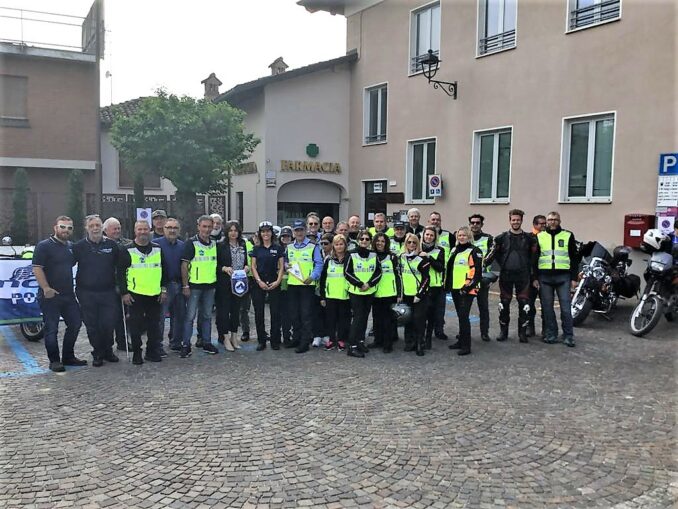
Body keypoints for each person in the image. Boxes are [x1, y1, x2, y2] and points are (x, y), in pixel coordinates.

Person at [32, 216, 86, 372]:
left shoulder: (71, 247)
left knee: (75, 323)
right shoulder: (44, 246)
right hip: (50, 296)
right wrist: (46, 288)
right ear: (55, 227)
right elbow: (37, 267)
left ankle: (68, 356)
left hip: (68, 295)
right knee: (51, 329)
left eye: (69, 228)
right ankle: (54, 360)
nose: (66, 230)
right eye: (62, 227)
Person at [73, 214, 120, 367]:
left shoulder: (112, 245)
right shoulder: (78, 247)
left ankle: (108, 351)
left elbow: (121, 266)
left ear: (102, 227)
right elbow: (66, 265)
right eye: (92, 225)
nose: (95, 228)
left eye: (97, 225)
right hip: (86, 292)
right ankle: (97, 353)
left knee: (108, 324)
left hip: (108, 292)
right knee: (92, 325)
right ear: (87, 228)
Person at [118, 220, 167, 365]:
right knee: (136, 326)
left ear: (150, 230)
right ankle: (137, 353)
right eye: (140, 229)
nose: (143, 232)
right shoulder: (126, 249)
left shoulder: (158, 249)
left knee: (154, 325)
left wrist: (163, 289)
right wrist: (124, 293)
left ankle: (152, 352)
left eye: (145, 229)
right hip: (135, 294)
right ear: (135, 231)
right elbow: (120, 273)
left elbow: (164, 270)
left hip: (154, 294)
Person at [485, 209, 536, 343]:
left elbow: (535, 258)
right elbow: (490, 256)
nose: (515, 222)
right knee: (504, 303)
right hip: (506, 275)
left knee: (524, 304)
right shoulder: (501, 238)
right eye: (513, 220)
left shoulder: (530, 239)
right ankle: (503, 332)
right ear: (510, 221)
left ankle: (522, 333)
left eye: (518, 220)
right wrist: (481, 264)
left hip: (523, 276)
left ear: (521, 221)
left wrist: (535, 276)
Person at [533, 211, 578, 347]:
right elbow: (534, 259)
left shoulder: (568, 235)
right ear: (547, 221)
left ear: (559, 221)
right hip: (544, 277)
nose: (552, 222)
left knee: (565, 308)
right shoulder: (540, 236)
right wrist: (535, 277)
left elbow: (574, 258)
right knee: (547, 308)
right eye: (550, 220)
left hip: (563, 277)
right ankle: (551, 333)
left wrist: (574, 278)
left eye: (555, 219)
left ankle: (568, 335)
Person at [180, 215, 219, 357]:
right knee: (190, 317)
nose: (207, 229)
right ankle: (186, 344)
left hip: (210, 285)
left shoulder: (215, 243)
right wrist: (185, 285)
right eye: (204, 226)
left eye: (209, 226)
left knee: (207, 316)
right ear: (198, 227)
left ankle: (206, 342)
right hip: (194, 286)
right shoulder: (191, 243)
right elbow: (184, 265)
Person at [285, 220, 323, 353]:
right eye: (296, 230)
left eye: (301, 230)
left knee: (306, 314)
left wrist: (313, 277)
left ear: (305, 230)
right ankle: (296, 338)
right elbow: (285, 263)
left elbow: (319, 264)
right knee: (294, 314)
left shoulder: (313, 246)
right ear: (293, 232)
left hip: (307, 285)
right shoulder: (289, 247)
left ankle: (305, 342)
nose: (299, 232)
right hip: (293, 284)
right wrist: (285, 266)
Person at [446, 226, 483, 356]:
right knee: (461, 317)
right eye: (459, 235)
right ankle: (461, 341)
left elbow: (477, 272)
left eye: (464, 235)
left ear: (469, 236)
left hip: (467, 289)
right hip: (455, 288)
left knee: (463, 316)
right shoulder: (455, 250)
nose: (461, 237)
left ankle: (466, 346)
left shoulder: (474, 251)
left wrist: (467, 287)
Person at [344, 230, 381, 358]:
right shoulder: (351, 254)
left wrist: (369, 284)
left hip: (369, 291)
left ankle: (360, 341)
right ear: (358, 240)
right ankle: (352, 346)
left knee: (365, 317)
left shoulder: (373, 254)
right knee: (358, 318)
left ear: (370, 241)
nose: (364, 241)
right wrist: (360, 284)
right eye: (362, 239)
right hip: (356, 291)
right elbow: (347, 273)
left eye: (367, 239)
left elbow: (378, 272)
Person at [250, 221, 284, 351]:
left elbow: (281, 267)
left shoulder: (278, 248)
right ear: (260, 233)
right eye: (263, 231)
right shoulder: (256, 249)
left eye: (268, 231)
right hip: (259, 283)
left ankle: (275, 340)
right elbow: (253, 266)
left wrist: (278, 281)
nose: (265, 233)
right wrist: (259, 281)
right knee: (259, 313)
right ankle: (261, 341)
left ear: (271, 233)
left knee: (275, 313)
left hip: (274, 282)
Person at [216, 221, 249, 351]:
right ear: (226, 232)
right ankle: (225, 337)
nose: (233, 233)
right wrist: (224, 268)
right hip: (225, 283)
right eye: (230, 230)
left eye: (235, 230)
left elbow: (246, 260)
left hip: (239, 283)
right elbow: (215, 264)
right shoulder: (220, 245)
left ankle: (234, 336)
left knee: (236, 311)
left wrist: (246, 266)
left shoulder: (243, 244)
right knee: (224, 311)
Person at [155, 217, 186, 353]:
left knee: (179, 316)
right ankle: (158, 345)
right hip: (163, 286)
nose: (172, 230)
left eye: (175, 228)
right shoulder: (155, 245)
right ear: (163, 229)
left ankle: (176, 342)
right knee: (160, 318)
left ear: (179, 230)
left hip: (179, 284)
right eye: (169, 228)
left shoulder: (183, 245)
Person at [103, 216, 132, 352]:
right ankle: (106, 345)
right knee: (108, 318)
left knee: (121, 317)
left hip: (122, 283)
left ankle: (122, 342)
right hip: (106, 286)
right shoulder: (101, 244)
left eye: (119, 228)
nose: (117, 231)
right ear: (106, 230)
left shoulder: (126, 243)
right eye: (114, 228)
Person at [319, 234, 350, 352]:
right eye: (336, 244)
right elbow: (323, 279)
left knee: (343, 318)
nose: (339, 246)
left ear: (345, 245)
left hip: (344, 295)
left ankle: (341, 339)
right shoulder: (328, 259)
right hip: (330, 295)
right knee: (331, 318)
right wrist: (322, 296)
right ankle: (332, 339)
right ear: (333, 246)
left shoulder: (349, 258)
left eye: (341, 244)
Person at [400, 233, 430, 356]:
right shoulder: (400, 257)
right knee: (408, 319)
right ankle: (409, 342)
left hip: (419, 295)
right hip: (406, 294)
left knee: (419, 320)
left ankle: (419, 343)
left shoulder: (422, 258)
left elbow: (426, 278)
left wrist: (419, 293)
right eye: (409, 242)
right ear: (405, 244)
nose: (411, 245)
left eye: (414, 242)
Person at [371, 232, 401, 353]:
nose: (380, 243)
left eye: (382, 241)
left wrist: (399, 293)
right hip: (375, 292)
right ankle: (378, 340)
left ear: (386, 243)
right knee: (376, 318)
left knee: (388, 319)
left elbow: (398, 276)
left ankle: (387, 343)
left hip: (389, 292)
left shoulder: (392, 257)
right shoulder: (371, 256)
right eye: (378, 241)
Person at [428, 211, 453, 340]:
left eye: (437, 219)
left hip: (443, 277)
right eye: (433, 220)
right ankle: (426, 331)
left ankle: (439, 330)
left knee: (440, 307)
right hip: (425, 280)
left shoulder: (449, 236)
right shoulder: (423, 236)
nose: (435, 222)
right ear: (429, 221)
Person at [469, 214, 493, 341]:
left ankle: (484, 332)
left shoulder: (488, 238)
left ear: (481, 224)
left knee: (483, 307)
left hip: (482, 279)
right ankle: (463, 331)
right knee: (465, 308)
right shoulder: (465, 238)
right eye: (472, 223)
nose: (475, 225)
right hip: (468, 279)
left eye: (477, 223)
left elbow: (491, 256)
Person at [421, 226, 445, 350]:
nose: (429, 237)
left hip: (434, 287)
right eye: (427, 235)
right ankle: (419, 338)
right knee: (421, 315)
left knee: (431, 315)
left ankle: (428, 339)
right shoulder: (418, 248)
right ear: (423, 235)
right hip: (420, 286)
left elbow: (440, 267)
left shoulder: (439, 250)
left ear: (435, 237)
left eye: (431, 235)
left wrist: (429, 258)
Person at [527, 214, 547, 338]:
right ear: (534, 225)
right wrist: (533, 277)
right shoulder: (529, 238)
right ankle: (530, 327)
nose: (544, 226)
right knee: (529, 303)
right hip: (531, 276)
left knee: (545, 304)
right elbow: (529, 260)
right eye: (541, 224)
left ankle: (546, 329)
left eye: (545, 223)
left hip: (545, 275)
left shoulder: (548, 237)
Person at [238, 233, 256, 342]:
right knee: (243, 308)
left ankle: (262, 332)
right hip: (245, 278)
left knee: (259, 309)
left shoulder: (266, 245)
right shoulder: (243, 244)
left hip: (259, 279)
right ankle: (246, 331)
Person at [278, 226, 294, 345]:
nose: (285, 238)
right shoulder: (278, 250)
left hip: (292, 285)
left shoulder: (294, 249)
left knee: (290, 314)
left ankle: (288, 336)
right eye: (283, 236)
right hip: (280, 286)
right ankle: (281, 336)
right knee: (281, 314)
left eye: (287, 236)